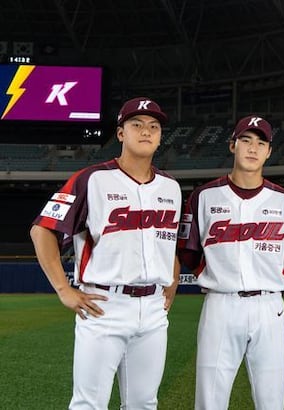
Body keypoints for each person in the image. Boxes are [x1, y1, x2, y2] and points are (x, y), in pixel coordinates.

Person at [30, 97, 182, 409]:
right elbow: (42, 230)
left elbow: (166, 242)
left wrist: (174, 278)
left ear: (160, 137)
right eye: (137, 124)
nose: (146, 131)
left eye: (154, 126)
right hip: (104, 305)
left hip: (154, 311)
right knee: (89, 404)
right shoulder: (91, 179)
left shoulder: (171, 187)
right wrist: (63, 289)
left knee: (144, 403)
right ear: (121, 133)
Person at [178, 115, 284, 410]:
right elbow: (188, 252)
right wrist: (214, 276)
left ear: (269, 151)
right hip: (221, 304)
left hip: (269, 306)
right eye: (245, 140)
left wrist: (270, 279)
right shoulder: (203, 196)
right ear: (232, 145)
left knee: (271, 401)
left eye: (261, 143)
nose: (252, 148)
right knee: (210, 400)